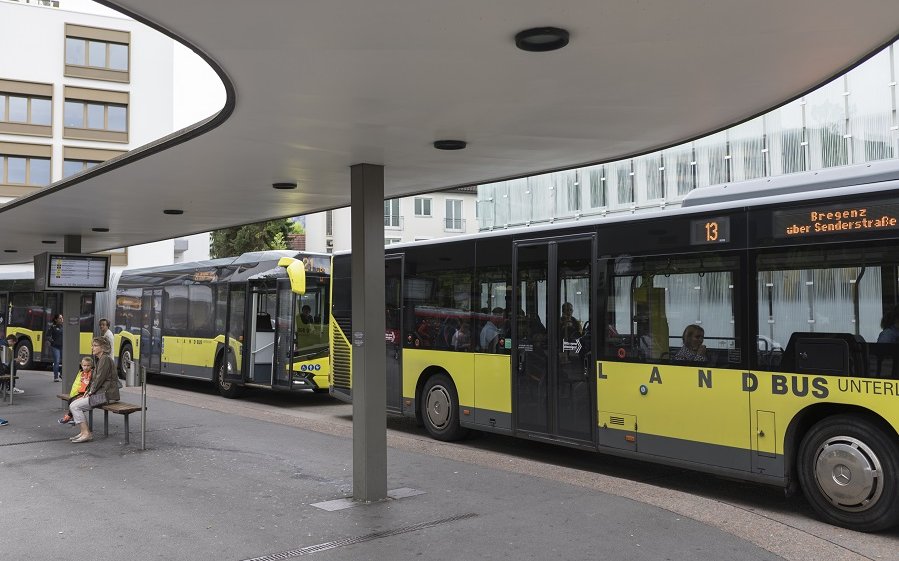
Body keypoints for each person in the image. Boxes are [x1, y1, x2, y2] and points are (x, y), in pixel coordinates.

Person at [68, 337, 119, 443]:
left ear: (103, 348)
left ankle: (86, 433)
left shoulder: (104, 359)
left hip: (106, 396)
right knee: (74, 403)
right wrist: (88, 391)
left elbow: (99, 379)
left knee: (74, 406)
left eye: (95, 345)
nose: (92, 347)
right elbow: (95, 380)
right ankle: (83, 432)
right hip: (102, 395)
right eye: (93, 345)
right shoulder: (100, 359)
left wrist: (90, 392)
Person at [58, 356, 93, 425]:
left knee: (73, 402)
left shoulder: (91, 373)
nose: (86, 367)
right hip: (79, 392)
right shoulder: (81, 373)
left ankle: (69, 416)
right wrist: (74, 393)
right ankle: (72, 417)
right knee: (71, 400)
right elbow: (76, 384)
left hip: (85, 393)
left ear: (91, 366)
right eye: (84, 365)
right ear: (81, 365)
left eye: (88, 365)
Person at [46, 313, 64, 382]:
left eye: (62, 318)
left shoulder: (63, 327)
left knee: (64, 361)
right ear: (56, 320)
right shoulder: (52, 327)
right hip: (55, 347)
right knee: (57, 361)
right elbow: (47, 336)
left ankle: (61, 374)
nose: (61, 319)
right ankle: (55, 377)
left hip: (62, 346)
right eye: (60, 318)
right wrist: (52, 341)